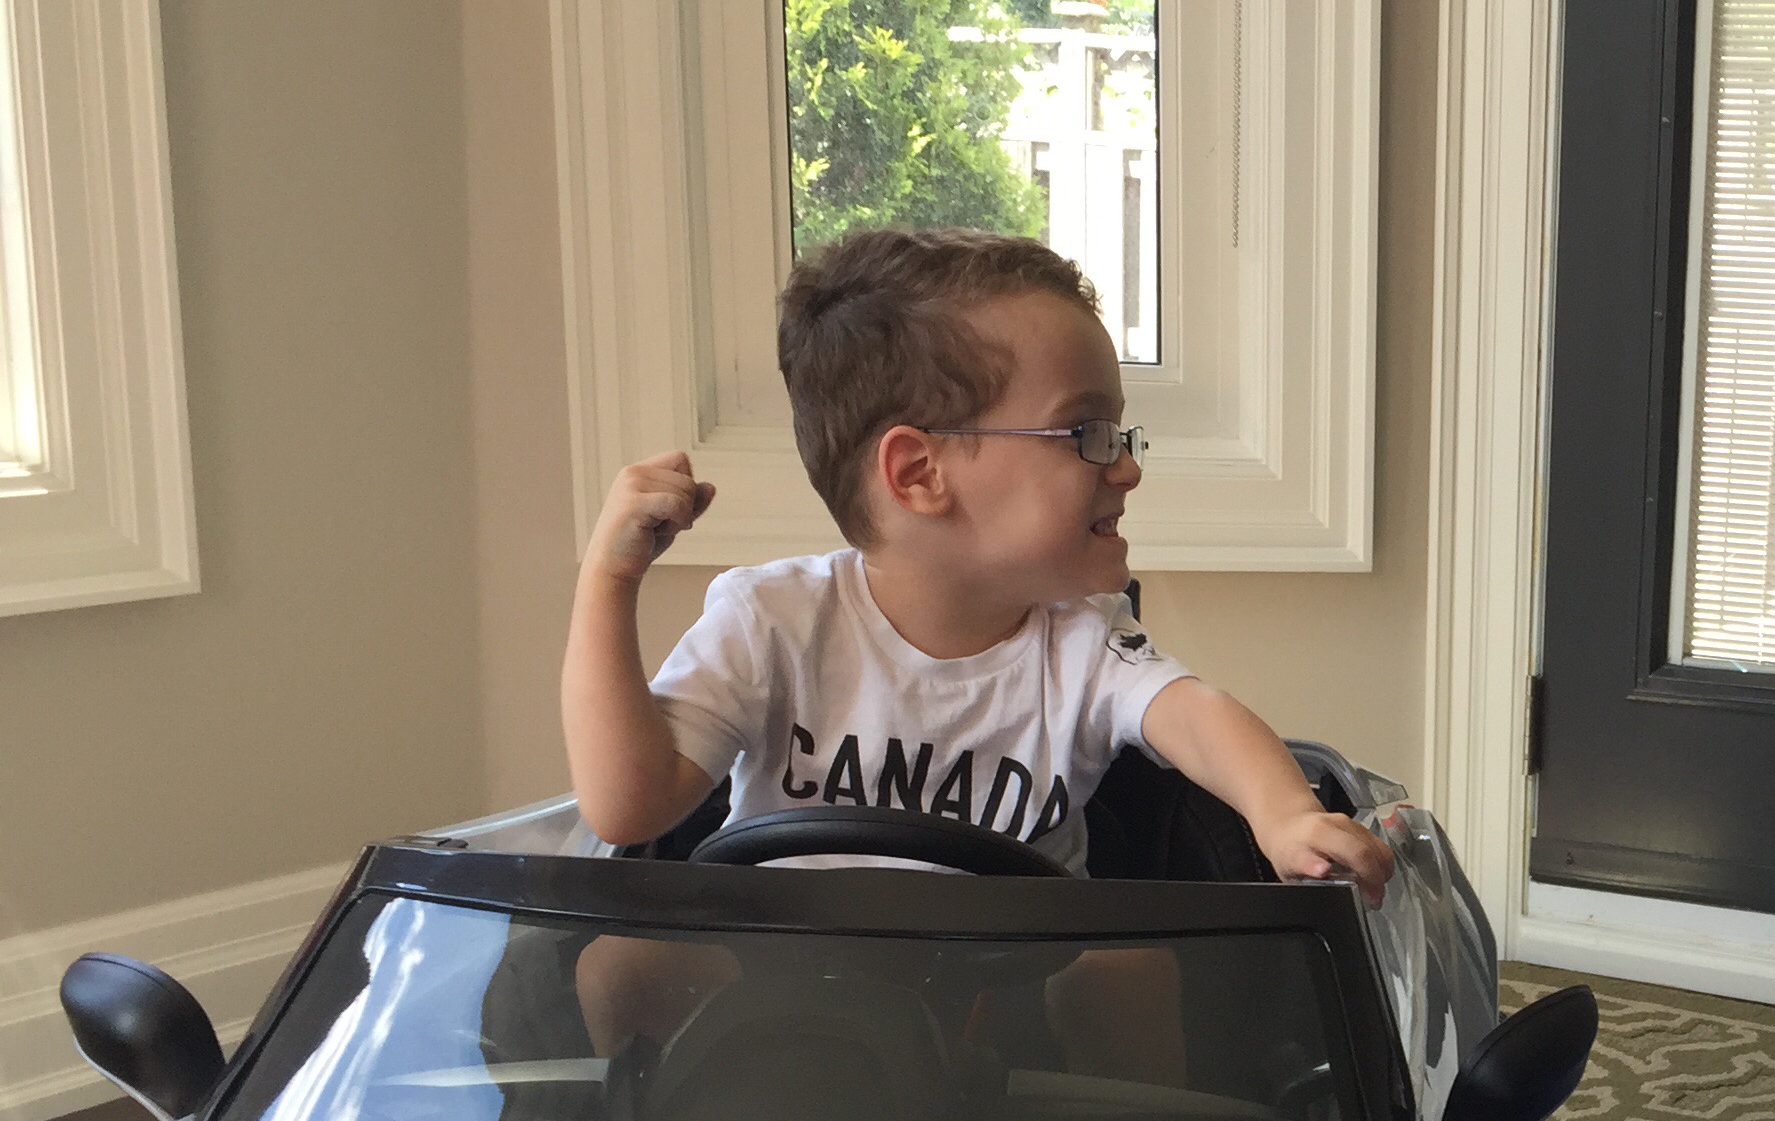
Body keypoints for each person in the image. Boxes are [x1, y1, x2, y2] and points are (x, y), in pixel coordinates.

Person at [560, 225, 1394, 1056]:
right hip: (782, 993)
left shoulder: (1080, 639)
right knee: (618, 966)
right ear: (919, 474)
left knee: (1124, 972)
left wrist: (1285, 815)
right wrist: (609, 580)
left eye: (1119, 433)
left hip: (1012, 1002)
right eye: (1086, 433)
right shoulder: (770, 621)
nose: (1128, 466)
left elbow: (1195, 715)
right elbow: (626, 807)